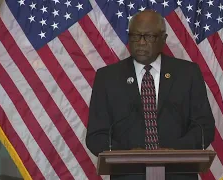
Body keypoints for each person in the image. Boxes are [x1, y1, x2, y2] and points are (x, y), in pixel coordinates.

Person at [86, 10, 215, 180]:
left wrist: (173, 152)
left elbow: (204, 127)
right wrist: (128, 155)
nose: (141, 42)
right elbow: (96, 135)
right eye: (135, 36)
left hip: (178, 174)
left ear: (163, 39)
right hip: (128, 175)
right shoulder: (108, 77)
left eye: (148, 37)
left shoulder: (187, 73)